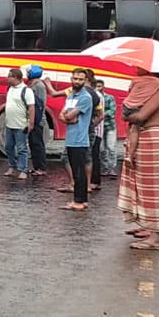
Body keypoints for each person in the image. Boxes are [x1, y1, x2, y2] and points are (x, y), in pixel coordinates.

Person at [119, 72, 159, 249]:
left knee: (150, 189)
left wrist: (127, 114)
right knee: (156, 188)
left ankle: (155, 239)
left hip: (150, 138)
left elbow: (141, 117)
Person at [59, 68, 94, 212]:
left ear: (85, 81)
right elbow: (63, 115)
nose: (77, 81)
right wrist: (67, 117)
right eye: (75, 78)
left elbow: (67, 116)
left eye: (80, 79)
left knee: (79, 173)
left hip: (80, 139)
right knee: (76, 171)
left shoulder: (85, 97)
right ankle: (80, 200)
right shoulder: (71, 96)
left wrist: (67, 117)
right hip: (71, 138)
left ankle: (79, 201)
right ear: (71, 79)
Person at [121, 70, 159, 168]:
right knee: (135, 129)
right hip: (139, 106)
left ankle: (127, 140)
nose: (136, 70)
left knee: (130, 125)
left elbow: (130, 90)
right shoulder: (157, 81)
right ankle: (130, 155)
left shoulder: (135, 79)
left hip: (126, 105)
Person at [3, 68, 35, 180]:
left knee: (21, 148)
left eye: (9, 76)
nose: (7, 78)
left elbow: (31, 107)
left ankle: (23, 170)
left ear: (16, 77)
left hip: (21, 125)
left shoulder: (26, 90)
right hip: (9, 124)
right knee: (8, 147)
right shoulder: (10, 88)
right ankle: (12, 166)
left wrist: (31, 123)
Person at [26, 65, 49, 176]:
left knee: (37, 144)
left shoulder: (38, 86)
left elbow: (38, 104)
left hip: (37, 119)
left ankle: (41, 168)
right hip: (35, 118)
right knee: (33, 143)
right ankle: (36, 167)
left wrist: (33, 119)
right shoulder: (34, 85)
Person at [97, 79, 118, 177]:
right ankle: (105, 168)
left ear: (103, 87)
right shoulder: (95, 98)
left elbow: (112, 111)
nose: (98, 88)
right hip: (100, 126)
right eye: (96, 86)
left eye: (99, 86)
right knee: (101, 149)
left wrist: (101, 114)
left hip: (110, 126)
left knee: (111, 148)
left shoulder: (109, 98)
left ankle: (112, 168)